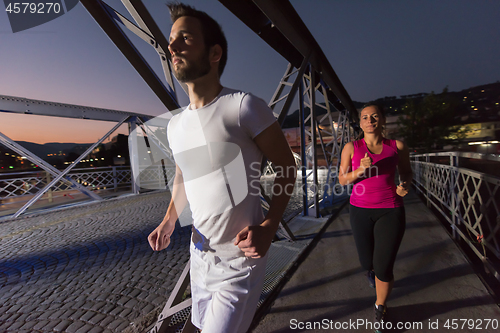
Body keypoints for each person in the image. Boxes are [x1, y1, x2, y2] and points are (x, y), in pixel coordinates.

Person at [147, 3, 296, 333]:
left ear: (215, 53)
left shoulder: (243, 107)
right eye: (172, 39)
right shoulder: (174, 126)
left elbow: (287, 166)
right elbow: (185, 175)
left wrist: (270, 226)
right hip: (199, 256)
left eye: (185, 38)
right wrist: (170, 219)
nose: (172, 47)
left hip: (239, 261)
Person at [339, 102, 412, 324]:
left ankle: (380, 306)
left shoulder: (397, 146)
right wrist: (361, 169)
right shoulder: (351, 148)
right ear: (360, 123)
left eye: (374, 116)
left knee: (384, 266)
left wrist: (405, 185)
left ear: (383, 119)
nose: (369, 121)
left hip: (391, 209)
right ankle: (371, 271)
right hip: (360, 210)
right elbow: (342, 179)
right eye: (364, 117)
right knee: (366, 262)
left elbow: (406, 172)